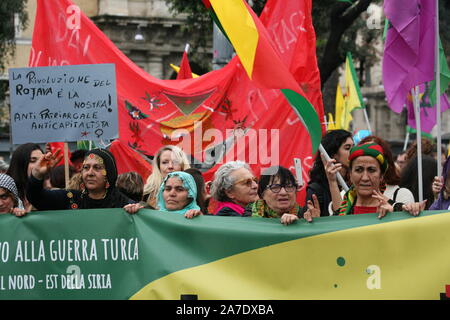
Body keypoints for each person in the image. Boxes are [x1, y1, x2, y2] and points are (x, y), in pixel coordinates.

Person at [26, 148, 135, 210]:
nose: (90, 173)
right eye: (86, 167)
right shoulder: (70, 199)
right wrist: (37, 174)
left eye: (97, 168)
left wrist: (136, 211)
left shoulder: (125, 204)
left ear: (109, 173)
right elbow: (36, 198)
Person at [338, 143, 426, 217]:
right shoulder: (341, 213)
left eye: (371, 170)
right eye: (359, 170)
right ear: (350, 175)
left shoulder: (398, 210)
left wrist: (395, 217)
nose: (365, 178)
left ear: (381, 176)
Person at [245, 166, 320, 225]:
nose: (283, 192)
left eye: (289, 186)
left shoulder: (305, 215)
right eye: (275, 187)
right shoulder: (249, 214)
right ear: (262, 194)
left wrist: (313, 224)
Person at [306, 129, 353, 216]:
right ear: (333, 154)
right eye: (347, 148)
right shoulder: (317, 190)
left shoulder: (356, 184)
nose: (353, 151)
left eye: (354, 147)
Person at [359, 135, 415, 205]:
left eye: (371, 169)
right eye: (358, 169)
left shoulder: (402, 195)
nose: (365, 177)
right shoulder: (347, 198)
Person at [124, 171, 202, 219]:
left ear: (190, 195)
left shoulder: (196, 216)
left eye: (179, 189)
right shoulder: (150, 217)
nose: (172, 194)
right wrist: (132, 213)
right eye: (168, 189)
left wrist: (199, 220)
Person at [6, 143, 44, 211]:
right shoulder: (4, 191)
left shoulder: (49, 192)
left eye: (42, 160)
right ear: (20, 164)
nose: (39, 165)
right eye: (33, 161)